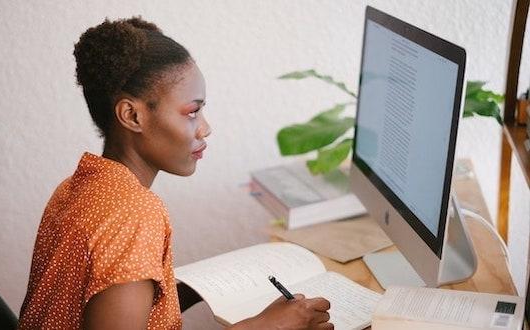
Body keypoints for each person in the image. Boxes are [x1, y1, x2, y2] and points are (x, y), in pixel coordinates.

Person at [18, 16, 334, 330]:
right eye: (192, 112)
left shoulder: (75, 187)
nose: (206, 128)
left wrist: (181, 290)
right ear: (132, 115)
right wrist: (268, 326)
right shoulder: (135, 215)